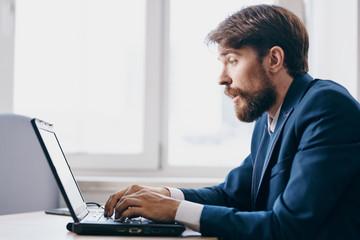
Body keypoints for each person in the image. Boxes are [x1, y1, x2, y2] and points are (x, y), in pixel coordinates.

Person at [104, 4, 360, 239]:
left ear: (274, 59)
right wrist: (166, 195)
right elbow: (232, 195)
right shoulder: (270, 117)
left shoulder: (326, 108)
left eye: (233, 60)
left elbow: (287, 226)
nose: (222, 78)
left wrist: (175, 210)